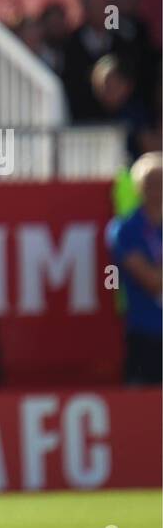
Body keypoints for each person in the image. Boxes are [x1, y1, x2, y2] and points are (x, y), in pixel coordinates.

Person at [109, 152, 162, 384]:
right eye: (151, 183)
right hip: (145, 332)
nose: (157, 190)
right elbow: (150, 280)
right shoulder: (125, 229)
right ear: (139, 187)